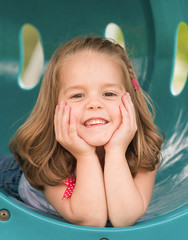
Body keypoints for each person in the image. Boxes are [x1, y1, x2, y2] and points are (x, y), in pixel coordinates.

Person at [4, 36, 164, 227]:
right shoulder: (45, 157)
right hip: (11, 176)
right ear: (54, 107)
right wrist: (85, 156)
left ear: (131, 102)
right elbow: (91, 219)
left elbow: (124, 217)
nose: (94, 104)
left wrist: (116, 150)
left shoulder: (143, 150)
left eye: (109, 93)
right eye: (78, 95)